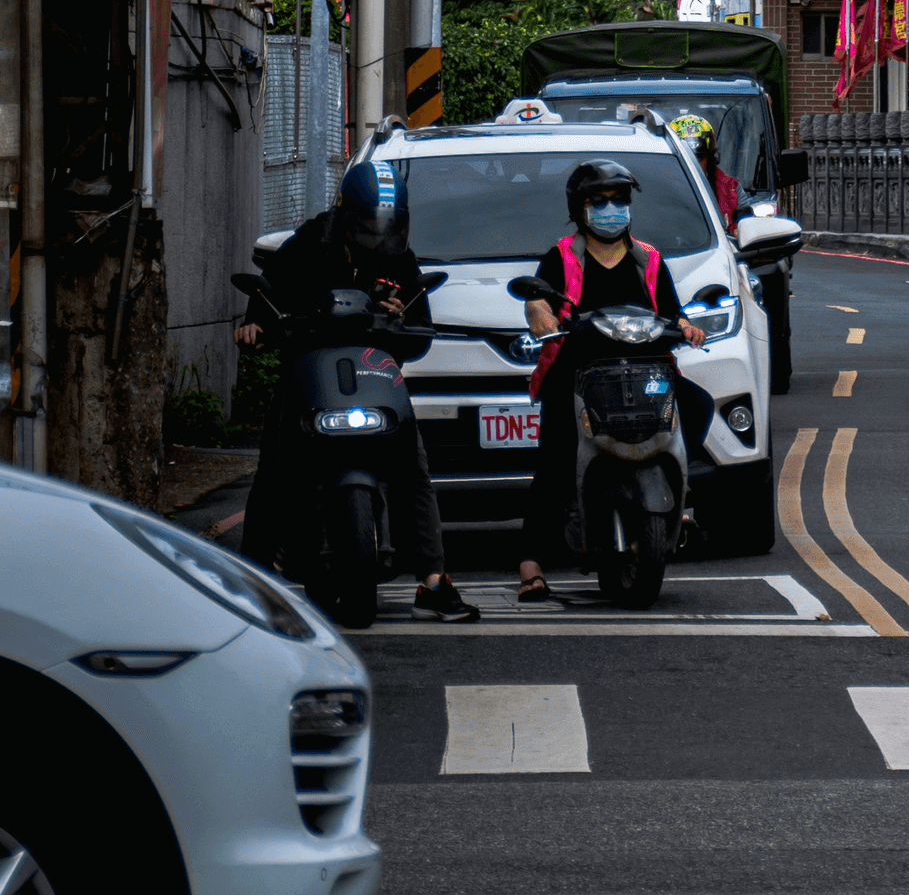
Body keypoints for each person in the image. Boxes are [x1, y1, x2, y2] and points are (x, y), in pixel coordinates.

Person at [236, 158, 478, 621]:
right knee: (273, 473)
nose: (378, 235)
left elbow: (419, 330)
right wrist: (254, 325)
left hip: (373, 375)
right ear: (345, 215)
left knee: (413, 468)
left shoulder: (400, 260)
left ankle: (432, 581)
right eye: (369, 224)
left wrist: (401, 319)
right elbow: (267, 295)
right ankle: (252, 583)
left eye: (387, 225)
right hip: (308, 375)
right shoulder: (308, 244)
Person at [515, 156, 706, 604]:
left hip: (644, 373)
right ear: (580, 209)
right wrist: (540, 317)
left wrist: (688, 327)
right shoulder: (561, 257)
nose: (611, 208)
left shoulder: (650, 259)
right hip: (579, 373)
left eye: (619, 200)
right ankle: (530, 562)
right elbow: (538, 305)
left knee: (696, 406)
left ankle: (685, 494)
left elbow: (672, 313)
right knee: (555, 459)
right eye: (599, 201)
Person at [669, 112, 741, 233]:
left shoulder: (731, 189)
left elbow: (747, 227)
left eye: (698, 158)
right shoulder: (658, 190)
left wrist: (739, 232)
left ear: (712, 158)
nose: (692, 165)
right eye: (684, 160)